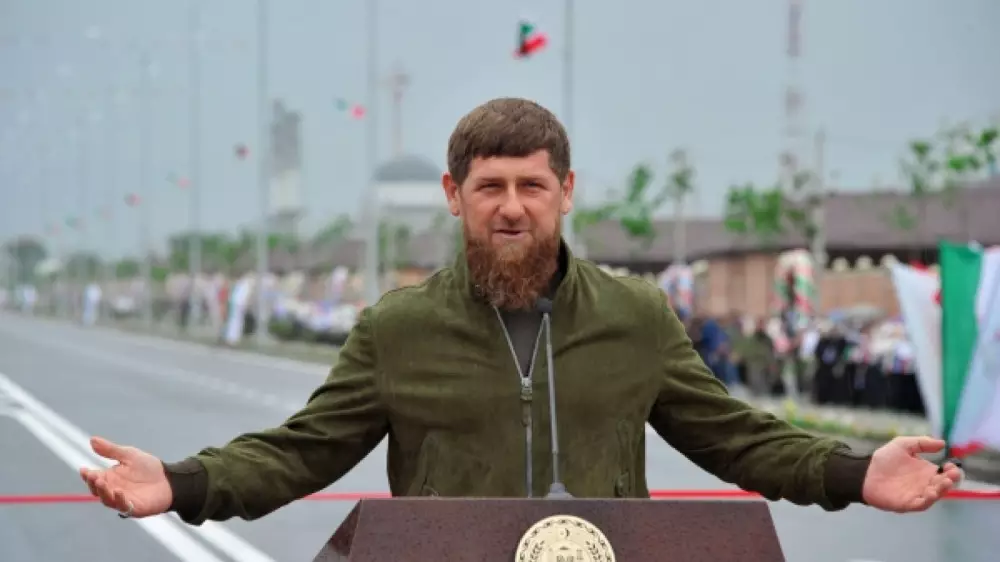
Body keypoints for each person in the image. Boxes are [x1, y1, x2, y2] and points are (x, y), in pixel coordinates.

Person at [80, 97, 961, 525]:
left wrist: (856, 473)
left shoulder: (638, 317)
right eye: (489, 186)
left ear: (566, 191)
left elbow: (740, 439)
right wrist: (181, 483)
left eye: (532, 186)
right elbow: (298, 452)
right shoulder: (396, 330)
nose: (512, 207)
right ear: (453, 195)